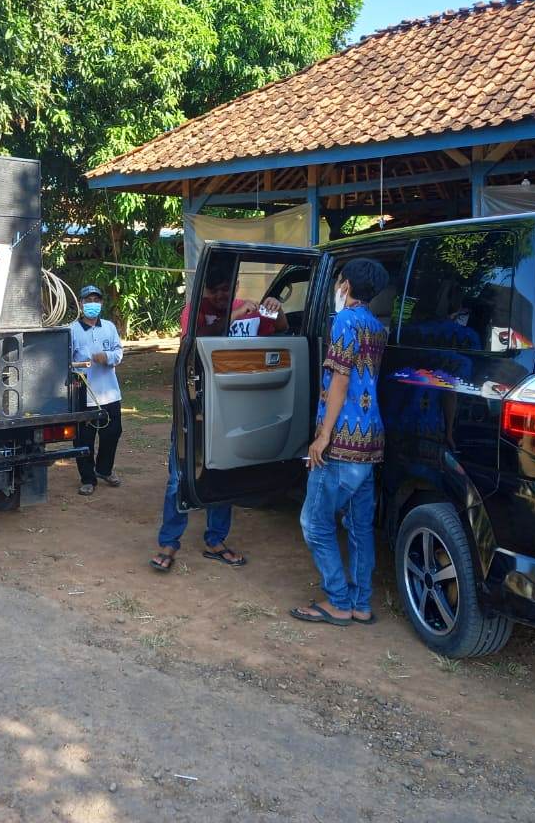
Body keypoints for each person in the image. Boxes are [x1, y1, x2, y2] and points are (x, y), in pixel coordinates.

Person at [150, 260, 287, 572]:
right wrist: (231, 317)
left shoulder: (250, 309)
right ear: (205, 290)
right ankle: (169, 543)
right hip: (194, 405)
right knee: (179, 477)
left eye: (227, 290)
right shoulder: (194, 310)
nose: (222, 296)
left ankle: (215, 540)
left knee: (222, 474)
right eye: (215, 291)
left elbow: (278, 329)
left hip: (232, 406)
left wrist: (276, 309)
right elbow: (193, 341)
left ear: (235, 287)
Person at [291, 258, 390, 626]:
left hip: (343, 440)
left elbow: (341, 380)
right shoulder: (377, 328)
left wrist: (323, 435)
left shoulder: (345, 322)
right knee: (360, 527)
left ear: (345, 285)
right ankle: (361, 603)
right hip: (370, 439)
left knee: (315, 523)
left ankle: (338, 600)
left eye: (338, 281)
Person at [69, 285, 124, 496]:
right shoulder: (72, 330)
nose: (93, 303)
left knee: (113, 432)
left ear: (101, 303)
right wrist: (81, 363)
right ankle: (87, 478)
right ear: (81, 304)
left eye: (96, 300)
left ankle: (104, 469)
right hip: (84, 392)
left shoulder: (109, 327)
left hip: (109, 392)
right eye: (88, 300)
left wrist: (107, 357)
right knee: (84, 439)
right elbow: (65, 361)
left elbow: (118, 352)